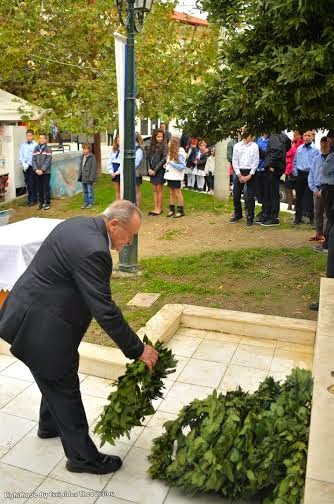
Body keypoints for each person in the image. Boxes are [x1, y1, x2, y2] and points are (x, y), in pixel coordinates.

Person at [0, 200, 159, 474]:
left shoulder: (77, 224)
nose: (130, 241)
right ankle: (82, 458)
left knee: (53, 374)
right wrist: (138, 350)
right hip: (41, 327)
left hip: (32, 313)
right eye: (129, 234)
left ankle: (49, 426)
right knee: (63, 385)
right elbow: (105, 310)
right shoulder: (95, 250)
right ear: (113, 225)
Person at [309, 130, 334, 311]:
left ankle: (324, 242)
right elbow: (313, 174)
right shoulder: (318, 158)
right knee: (319, 217)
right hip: (320, 190)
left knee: (328, 220)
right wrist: (315, 188)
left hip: (328, 192)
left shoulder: (331, 158)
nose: (326, 145)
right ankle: (321, 240)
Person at [260, 132, 291, 227]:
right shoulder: (279, 137)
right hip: (276, 168)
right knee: (271, 192)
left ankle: (273, 217)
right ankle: (269, 215)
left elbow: (277, 151)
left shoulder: (275, 136)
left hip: (274, 169)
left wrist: (271, 165)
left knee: (272, 193)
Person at [230, 129, 259, 227]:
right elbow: (234, 161)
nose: (252, 137)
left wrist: (250, 175)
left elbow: (256, 161)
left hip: (251, 172)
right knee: (236, 194)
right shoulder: (237, 146)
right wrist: (239, 175)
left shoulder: (255, 146)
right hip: (239, 171)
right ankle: (238, 214)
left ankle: (250, 216)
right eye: (251, 136)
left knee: (250, 197)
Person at [293, 131, 319, 224]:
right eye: (305, 135)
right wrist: (295, 172)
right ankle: (297, 218)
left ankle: (312, 218)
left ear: (312, 137)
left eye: (309, 136)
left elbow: (317, 164)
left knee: (310, 197)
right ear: (302, 137)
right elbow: (295, 161)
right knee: (298, 196)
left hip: (310, 174)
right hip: (300, 174)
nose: (307, 137)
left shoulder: (316, 149)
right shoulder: (299, 148)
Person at [308, 137, 329, 242]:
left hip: (328, 190)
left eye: (325, 145)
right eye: (322, 145)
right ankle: (319, 234)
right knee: (317, 213)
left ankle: (326, 237)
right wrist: (314, 189)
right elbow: (311, 175)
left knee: (327, 214)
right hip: (316, 189)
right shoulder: (316, 159)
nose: (323, 147)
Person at [164, 136, 186, 217]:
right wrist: (166, 165)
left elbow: (182, 166)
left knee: (177, 192)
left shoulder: (180, 153)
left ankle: (181, 210)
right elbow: (170, 163)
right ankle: (172, 209)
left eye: (169, 141)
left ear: (173, 143)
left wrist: (171, 164)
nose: (168, 143)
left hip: (176, 176)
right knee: (171, 193)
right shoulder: (170, 152)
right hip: (170, 176)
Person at [147, 128, 167, 215]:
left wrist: (155, 170)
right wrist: (149, 169)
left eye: (161, 137)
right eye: (158, 136)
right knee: (154, 190)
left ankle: (159, 208)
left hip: (159, 171)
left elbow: (164, 159)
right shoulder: (151, 145)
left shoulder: (165, 146)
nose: (159, 138)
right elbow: (147, 158)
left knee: (159, 190)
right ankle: (155, 208)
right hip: (151, 171)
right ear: (154, 137)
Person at [32, 133, 53, 210]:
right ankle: (41, 202)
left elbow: (48, 160)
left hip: (46, 172)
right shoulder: (36, 148)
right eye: (40, 138)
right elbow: (33, 159)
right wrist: (36, 169)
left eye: (43, 138)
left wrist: (42, 170)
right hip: (37, 172)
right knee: (39, 188)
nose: (41, 139)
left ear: (46, 140)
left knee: (46, 187)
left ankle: (47, 203)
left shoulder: (48, 149)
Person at [285, 130, 304, 210]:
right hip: (289, 169)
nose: (294, 136)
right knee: (288, 188)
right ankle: (289, 205)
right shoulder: (291, 144)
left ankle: (296, 206)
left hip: (297, 169)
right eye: (294, 134)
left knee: (298, 189)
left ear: (300, 135)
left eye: (296, 134)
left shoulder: (302, 145)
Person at [19, 129, 38, 206]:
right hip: (25, 167)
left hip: (32, 167)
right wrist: (24, 164)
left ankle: (34, 200)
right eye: (27, 136)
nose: (28, 137)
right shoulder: (23, 145)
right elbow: (21, 155)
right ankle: (29, 199)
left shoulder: (35, 145)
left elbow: (34, 156)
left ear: (32, 136)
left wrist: (29, 164)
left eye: (30, 136)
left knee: (32, 183)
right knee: (27, 183)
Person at [255, 132, 269, 221]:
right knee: (259, 192)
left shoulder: (270, 140)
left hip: (266, 169)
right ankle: (263, 210)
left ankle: (266, 211)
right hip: (257, 169)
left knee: (266, 192)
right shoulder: (258, 139)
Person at [78, 143, 97, 209]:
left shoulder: (92, 157)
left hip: (89, 177)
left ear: (89, 150)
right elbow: (81, 167)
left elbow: (93, 168)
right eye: (83, 149)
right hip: (83, 177)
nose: (84, 150)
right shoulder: (82, 157)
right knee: (85, 191)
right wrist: (80, 175)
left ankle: (91, 202)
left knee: (90, 191)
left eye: (85, 149)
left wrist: (91, 178)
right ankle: (86, 202)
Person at [107, 135, 121, 200]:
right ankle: (118, 204)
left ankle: (123, 204)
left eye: (120, 141)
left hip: (120, 170)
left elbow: (122, 163)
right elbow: (109, 161)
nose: (119, 142)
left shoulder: (123, 150)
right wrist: (111, 172)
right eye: (118, 141)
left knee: (122, 189)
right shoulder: (113, 150)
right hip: (114, 169)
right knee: (117, 190)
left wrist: (118, 172)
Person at [135, 132, 146, 209]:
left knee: (136, 190)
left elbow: (136, 162)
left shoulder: (139, 149)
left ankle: (137, 207)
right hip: (133, 172)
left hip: (136, 173)